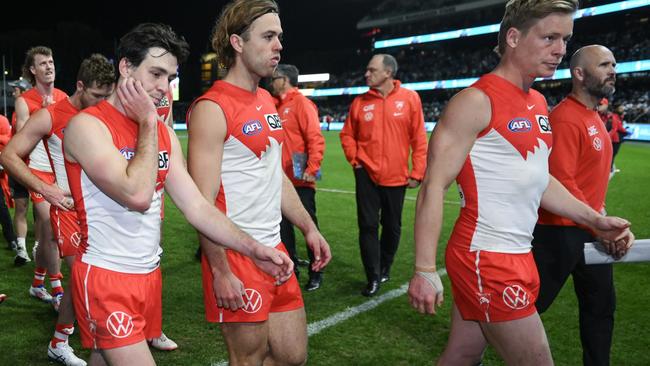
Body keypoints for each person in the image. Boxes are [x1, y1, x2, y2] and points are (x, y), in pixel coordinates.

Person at [406, 1, 634, 365]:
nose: (560, 49)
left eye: (565, 39)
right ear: (513, 37)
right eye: (549, 37)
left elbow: (540, 181)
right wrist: (424, 269)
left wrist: (595, 220)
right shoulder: (474, 101)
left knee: (462, 355)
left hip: (518, 253)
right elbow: (433, 187)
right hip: (486, 256)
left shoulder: (539, 102)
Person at [63, 23, 293, 365]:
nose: (162, 88)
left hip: (148, 277)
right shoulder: (87, 126)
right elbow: (137, 195)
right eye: (155, 73)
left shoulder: (162, 135)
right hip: (105, 277)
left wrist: (252, 248)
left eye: (169, 77)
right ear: (125, 67)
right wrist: (146, 123)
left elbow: (197, 206)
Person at [187, 1, 331, 364]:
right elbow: (200, 203)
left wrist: (308, 227)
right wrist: (220, 271)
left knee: (292, 355)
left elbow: (275, 174)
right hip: (236, 255)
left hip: (275, 251)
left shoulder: (267, 98)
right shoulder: (212, 108)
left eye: (279, 36)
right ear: (237, 42)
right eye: (268, 37)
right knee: (247, 359)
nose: (278, 45)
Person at [2, 53, 116, 366]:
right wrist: (45, 188)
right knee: (82, 276)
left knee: (96, 279)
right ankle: (69, 338)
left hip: (105, 209)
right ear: (81, 86)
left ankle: (65, 339)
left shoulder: (108, 110)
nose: (102, 103)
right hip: (68, 208)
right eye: (97, 95)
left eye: (108, 96)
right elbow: (9, 155)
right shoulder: (51, 115)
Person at [533, 45, 623, 366]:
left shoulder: (593, 116)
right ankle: (468, 350)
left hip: (590, 230)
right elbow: (562, 183)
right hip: (557, 233)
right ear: (579, 74)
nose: (612, 69)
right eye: (603, 64)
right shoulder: (565, 118)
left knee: (601, 310)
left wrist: (601, 218)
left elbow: (588, 183)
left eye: (613, 63)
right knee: (525, 308)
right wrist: (599, 224)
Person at [340, 53, 427, 297]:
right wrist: (355, 160)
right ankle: (373, 275)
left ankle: (385, 264)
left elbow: (419, 139)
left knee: (392, 226)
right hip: (366, 173)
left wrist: (417, 171)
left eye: (372, 70)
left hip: (396, 176)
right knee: (366, 226)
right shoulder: (359, 102)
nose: (366, 74)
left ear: (388, 72)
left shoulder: (410, 99)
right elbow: (347, 135)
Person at [14, 46, 68, 304]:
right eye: (43, 63)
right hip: (36, 172)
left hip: (61, 173)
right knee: (49, 224)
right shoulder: (24, 101)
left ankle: (38, 282)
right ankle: (58, 289)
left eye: (51, 61)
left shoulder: (64, 97)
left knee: (50, 233)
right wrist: (45, 115)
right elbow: (22, 138)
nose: (49, 66)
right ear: (33, 70)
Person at [270, 63, 326, 291]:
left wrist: (312, 169)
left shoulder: (302, 103)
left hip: (300, 178)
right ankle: (291, 268)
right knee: (282, 228)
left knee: (308, 225)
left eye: (274, 79)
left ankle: (317, 269)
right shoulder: (273, 105)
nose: (271, 82)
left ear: (284, 80)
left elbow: (315, 137)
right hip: (278, 180)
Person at [0, 113, 18, 251]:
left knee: (1, 206)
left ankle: (12, 239)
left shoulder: (2, 120)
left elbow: (8, 140)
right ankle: (11, 239)